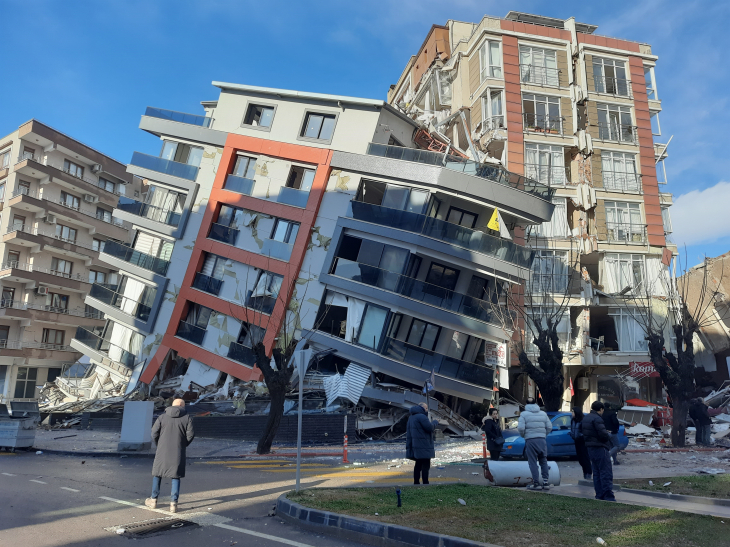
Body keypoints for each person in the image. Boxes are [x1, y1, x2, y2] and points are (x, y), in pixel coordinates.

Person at [145, 399, 195, 513]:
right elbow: (190, 434)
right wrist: (183, 444)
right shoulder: (187, 418)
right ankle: (173, 504)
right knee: (175, 476)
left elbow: (154, 433)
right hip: (178, 450)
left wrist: (159, 444)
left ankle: (153, 500)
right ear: (182, 406)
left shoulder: (162, 417)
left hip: (162, 449)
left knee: (157, 474)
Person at [517, 397, 553, 490]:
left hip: (530, 439)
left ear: (526, 404)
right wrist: (543, 434)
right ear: (536, 403)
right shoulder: (543, 414)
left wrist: (524, 435)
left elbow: (520, 428)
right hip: (542, 439)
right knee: (543, 460)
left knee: (532, 461)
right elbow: (549, 427)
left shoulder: (524, 414)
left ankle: (536, 483)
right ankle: (546, 482)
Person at [583, 401, 615, 501]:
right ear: (601, 409)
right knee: (605, 472)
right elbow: (603, 434)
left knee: (596, 472)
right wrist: (608, 435)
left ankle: (599, 494)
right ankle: (608, 495)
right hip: (600, 447)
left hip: (590, 447)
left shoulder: (586, 417)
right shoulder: (597, 419)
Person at [406, 402, 438, 485]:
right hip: (424, 444)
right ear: (422, 408)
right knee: (426, 465)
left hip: (416, 445)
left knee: (418, 465)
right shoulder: (422, 416)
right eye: (426, 408)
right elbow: (429, 428)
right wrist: (435, 422)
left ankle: (416, 482)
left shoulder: (411, 417)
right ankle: (425, 483)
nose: (427, 410)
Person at [570, 407, 592, 480]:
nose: (572, 413)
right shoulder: (573, 420)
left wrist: (581, 436)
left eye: (573, 412)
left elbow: (586, 432)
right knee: (580, 459)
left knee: (585, 457)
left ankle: (588, 473)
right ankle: (585, 473)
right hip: (576, 441)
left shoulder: (583, 420)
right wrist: (572, 434)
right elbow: (572, 430)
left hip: (583, 441)